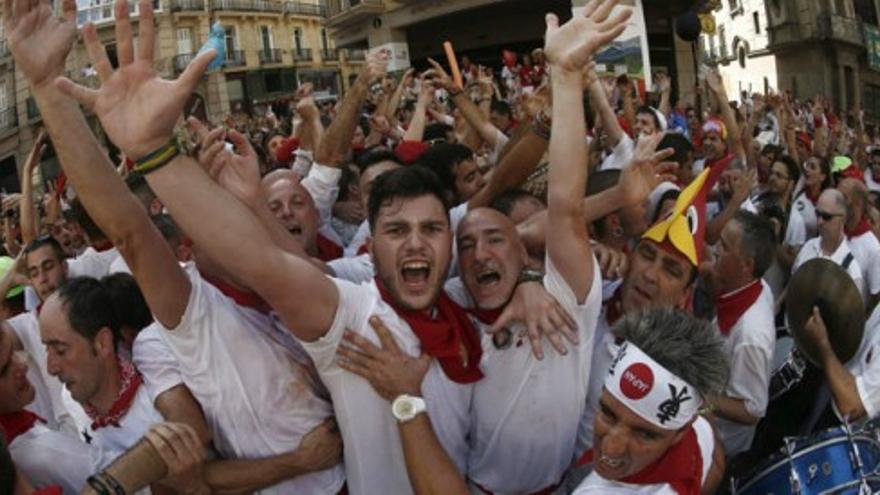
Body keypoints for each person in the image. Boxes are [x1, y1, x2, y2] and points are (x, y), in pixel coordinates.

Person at [11, 1, 344, 491]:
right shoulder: (192, 319)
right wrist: (46, 86)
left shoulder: (337, 286)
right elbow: (131, 232)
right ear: (188, 244)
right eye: (202, 210)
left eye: (237, 207)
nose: (214, 224)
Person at [572, 308, 728, 494]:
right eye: (608, 414)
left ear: (680, 432)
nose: (612, 448)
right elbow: (716, 464)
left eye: (644, 434)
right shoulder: (701, 431)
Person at [707, 210, 777, 457]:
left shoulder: (750, 335)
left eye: (724, 247)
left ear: (747, 265)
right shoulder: (756, 287)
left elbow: (752, 409)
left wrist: (701, 399)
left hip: (719, 445)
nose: (715, 249)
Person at [791, 189, 864, 296]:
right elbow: (793, 282)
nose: (820, 221)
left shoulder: (851, 271)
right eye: (817, 214)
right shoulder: (808, 247)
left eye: (826, 217)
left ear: (843, 219)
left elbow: (850, 311)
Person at [838, 177, 880, 310]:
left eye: (843, 198)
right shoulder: (833, 231)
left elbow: (876, 298)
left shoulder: (873, 248)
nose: (836, 203)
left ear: (858, 203)